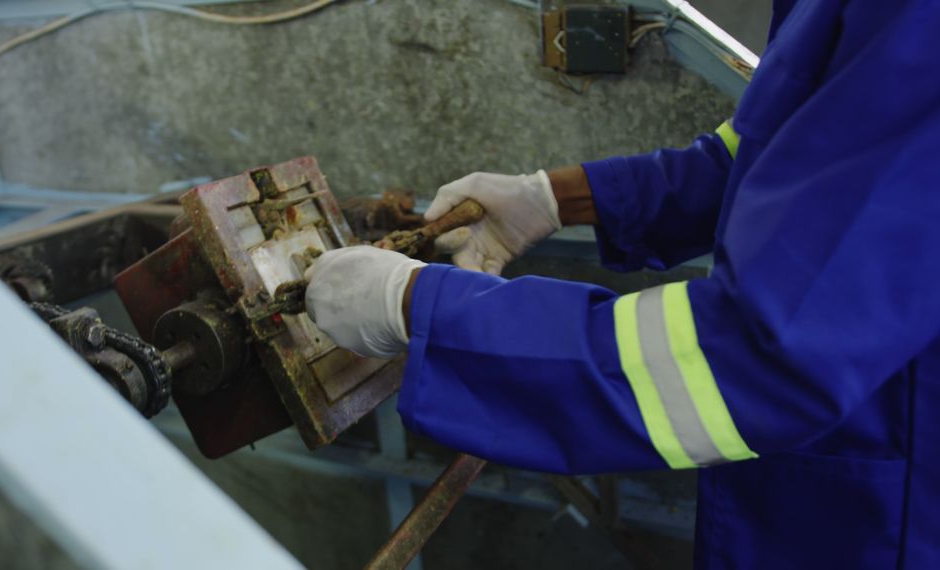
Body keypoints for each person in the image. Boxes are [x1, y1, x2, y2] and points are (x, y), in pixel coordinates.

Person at [305, 1, 940, 567]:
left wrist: (418, 306)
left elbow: (751, 356)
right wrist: (557, 199)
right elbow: (770, 153)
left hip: (888, 523)